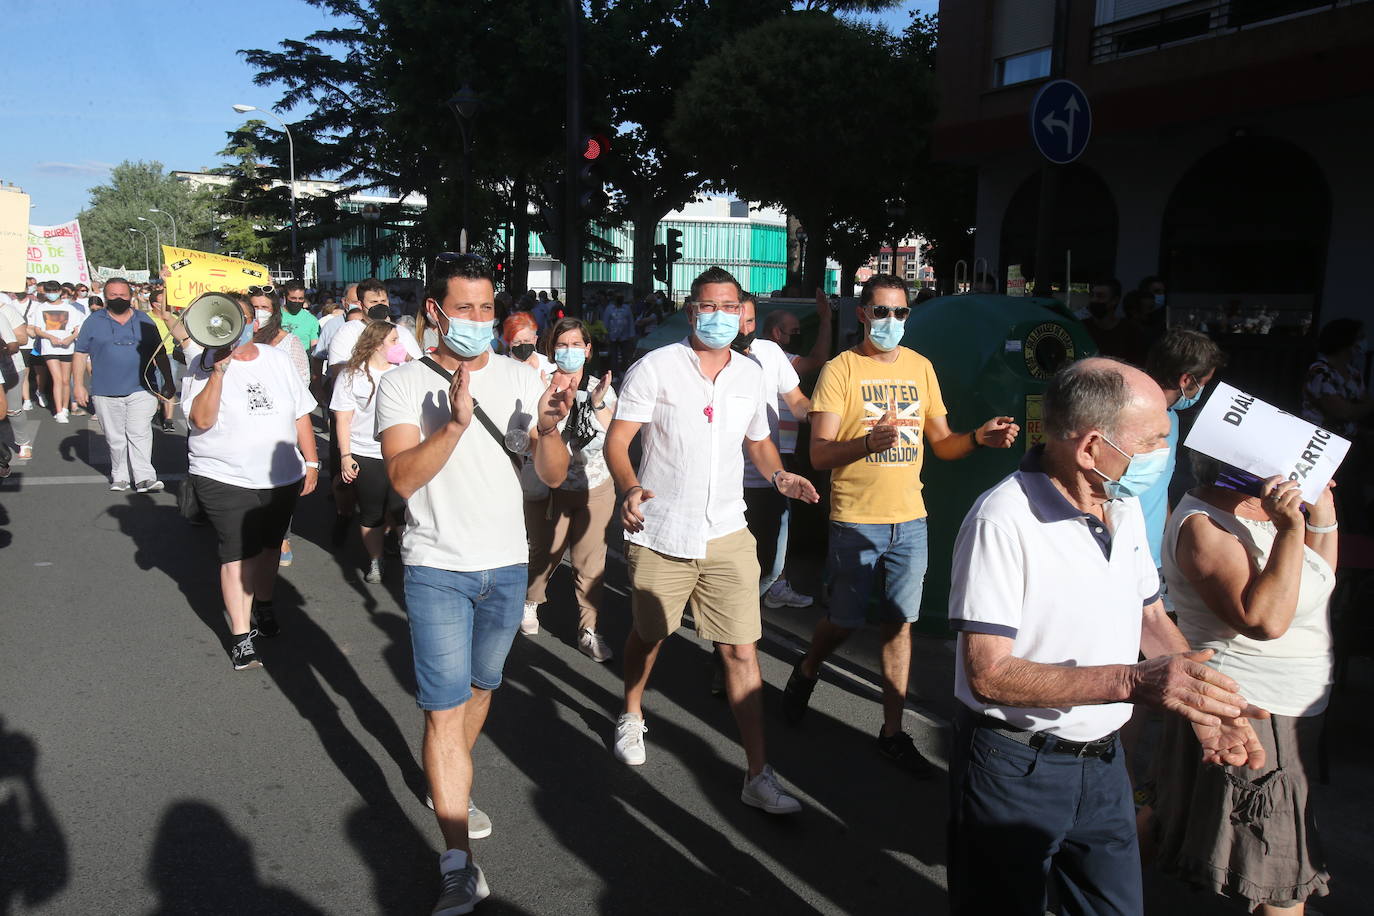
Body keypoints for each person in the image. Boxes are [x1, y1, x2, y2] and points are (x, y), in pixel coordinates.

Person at [945, 356, 1270, 916]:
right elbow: (988, 673)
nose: (1165, 453)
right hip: (1015, 768)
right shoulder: (1001, 521)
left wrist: (1207, 703)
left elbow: (1150, 620)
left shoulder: (1118, 506)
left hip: (1104, 767)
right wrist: (1134, 681)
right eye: (1154, 440)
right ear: (1093, 446)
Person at [377, 253, 572, 916]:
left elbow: (549, 473)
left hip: (507, 564)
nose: (479, 320)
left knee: (481, 690)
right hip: (435, 564)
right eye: (465, 308)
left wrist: (547, 428)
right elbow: (402, 480)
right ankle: (457, 860)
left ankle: (447, 773)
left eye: (487, 308)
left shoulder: (524, 376)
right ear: (434, 312)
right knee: (443, 707)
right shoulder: (402, 385)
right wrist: (456, 423)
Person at [782, 274, 1019, 778]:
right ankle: (807, 668)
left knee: (898, 624)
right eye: (882, 312)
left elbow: (944, 444)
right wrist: (869, 443)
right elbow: (820, 454)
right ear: (864, 314)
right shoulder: (841, 371)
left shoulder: (920, 368)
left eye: (901, 313)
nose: (892, 322)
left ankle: (892, 732)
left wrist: (978, 436)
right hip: (855, 519)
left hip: (911, 520)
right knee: (845, 620)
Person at [605, 265, 819, 815]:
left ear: (743, 311)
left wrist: (780, 476)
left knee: (741, 650)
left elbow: (759, 443)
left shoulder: (751, 375)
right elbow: (619, 440)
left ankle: (757, 773)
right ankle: (632, 713)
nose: (720, 316)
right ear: (690, 308)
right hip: (662, 530)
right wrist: (629, 488)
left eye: (730, 307)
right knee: (650, 634)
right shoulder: (654, 368)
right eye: (709, 306)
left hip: (728, 530)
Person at [1151, 457, 1336, 915]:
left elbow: (1313, 575)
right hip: (1251, 713)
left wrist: (1323, 513)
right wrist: (1291, 528)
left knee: (1175, 822)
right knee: (1279, 876)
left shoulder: (1263, 512)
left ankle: (1093, 884)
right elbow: (1265, 620)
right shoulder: (1205, 526)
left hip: (1290, 708)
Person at [182, 293, 320, 670]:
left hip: (280, 475)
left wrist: (311, 461)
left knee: (269, 547)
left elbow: (301, 412)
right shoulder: (200, 366)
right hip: (223, 476)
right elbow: (201, 421)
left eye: (244, 317)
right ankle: (242, 636)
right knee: (237, 552)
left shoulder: (276, 359)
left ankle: (264, 603)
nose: (238, 326)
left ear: (253, 323)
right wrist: (218, 371)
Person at [520, 317, 617, 661]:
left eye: (577, 345)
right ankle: (531, 602)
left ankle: (588, 629)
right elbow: (528, 435)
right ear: (551, 349)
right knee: (545, 551)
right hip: (552, 488)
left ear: (588, 350)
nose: (570, 351)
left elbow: (615, 436)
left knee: (590, 562)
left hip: (596, 487)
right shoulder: (538, 384)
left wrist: (598, 403)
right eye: (562, 345)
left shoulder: (600, 387)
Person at [750, 288, 834, 608]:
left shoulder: (774, 357)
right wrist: (825, 321)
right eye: (795, 333)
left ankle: (773, 582)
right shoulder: (772, 354)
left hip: (778, 453)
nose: (797, 337)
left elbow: (799, 402)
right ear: (775, 333)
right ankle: (767, 586)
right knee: (771, 524)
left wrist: (827, 418)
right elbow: (817, 361)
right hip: (768, 455)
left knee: (776, 524)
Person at [71, 278, 174, 492]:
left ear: (131, 296)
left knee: (140, 432)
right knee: (115, 437)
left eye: (123, 295)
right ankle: (120, 475)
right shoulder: (93, 321)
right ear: (105, 297)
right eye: (113, 295)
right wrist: (78, 385)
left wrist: (169, 381)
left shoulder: (144, 320)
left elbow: (161, 353)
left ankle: (145, 477)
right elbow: (80, 353)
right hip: (104, 390)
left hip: (142, 388)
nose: (119, 299)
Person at [331, 320, 407, 583]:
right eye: (394, 341)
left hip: (401, 452)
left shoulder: (405, 371)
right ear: (376, 345)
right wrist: (346, 456)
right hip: (366, 453)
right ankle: (376, 561)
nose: (401, 346)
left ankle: (412, 561)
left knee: (403, 510)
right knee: (372, 511)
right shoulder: (352, 375)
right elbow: (343, 419)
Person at [251, 288, 313, 566]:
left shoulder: (289, 343)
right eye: (253, 307)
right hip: (246, 430)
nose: (258, 313)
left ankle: (281, 536)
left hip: (281, 429)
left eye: (264, 307)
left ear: (275, 311)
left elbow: (302, 388)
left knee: (279, 484)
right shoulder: (235, 342)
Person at [1301, 318, 1373, 529]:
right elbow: (1341, 410)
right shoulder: (1320, 371)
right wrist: (1356, 410)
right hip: (1324, 444)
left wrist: (1356, 411)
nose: (1362, 343)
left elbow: (1361, 406)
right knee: (1337, 495)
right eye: (1359, 338)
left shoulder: (1354, 373)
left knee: (1353, 493)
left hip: (1352, 443)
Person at [27, 280, 83, 422]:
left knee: (65, 380)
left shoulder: (70, 308)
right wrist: (50, 337)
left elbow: (77, 329)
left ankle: (65, 407)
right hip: (49, 348)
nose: (52, 294)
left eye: (54, 291)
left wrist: (70, 339)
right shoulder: (40, 308)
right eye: (49, 292)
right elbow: (37, 329)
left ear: (59, 292)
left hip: (67, 347)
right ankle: (58, 411)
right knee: (57, 379)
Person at [146, 288, 181, 432]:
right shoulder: (146, 318)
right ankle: (158, 408)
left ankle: (168, 420)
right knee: (156, 387)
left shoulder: (173, 317)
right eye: (163, 302)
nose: (167, 304)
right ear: (154, 304)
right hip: (154, 356)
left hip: (171, 355)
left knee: (169, 385)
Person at [1083, 277, 1137, 362]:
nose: (1094, 300)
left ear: (1115, 300)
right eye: (1092, 295)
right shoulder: (1082, 328)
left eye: (1100, 296)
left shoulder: (1130, 331)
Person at [501, 312, 554, 379]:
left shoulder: (549, 366)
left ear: (535, 339)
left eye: (527, 341)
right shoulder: (501, 368)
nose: (523, 345)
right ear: (508, 342)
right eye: (517, 342)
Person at [279, 280, 320, 358]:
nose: (297, 302)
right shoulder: (275, 316)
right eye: (293, 298)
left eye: (300, 298)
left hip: (301, 363)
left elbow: (314, 348)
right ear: (285, 297)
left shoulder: (311, 320)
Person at [601, 294, 635, 376]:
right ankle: (615, 374)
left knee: (625, 356)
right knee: (613, 356)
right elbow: (605, 322)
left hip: (625, 336)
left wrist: (631, 335)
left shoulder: (627, 308)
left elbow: (631, 321)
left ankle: (624, 373)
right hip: (612, 337)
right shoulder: (609, 309)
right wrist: (605, 335)